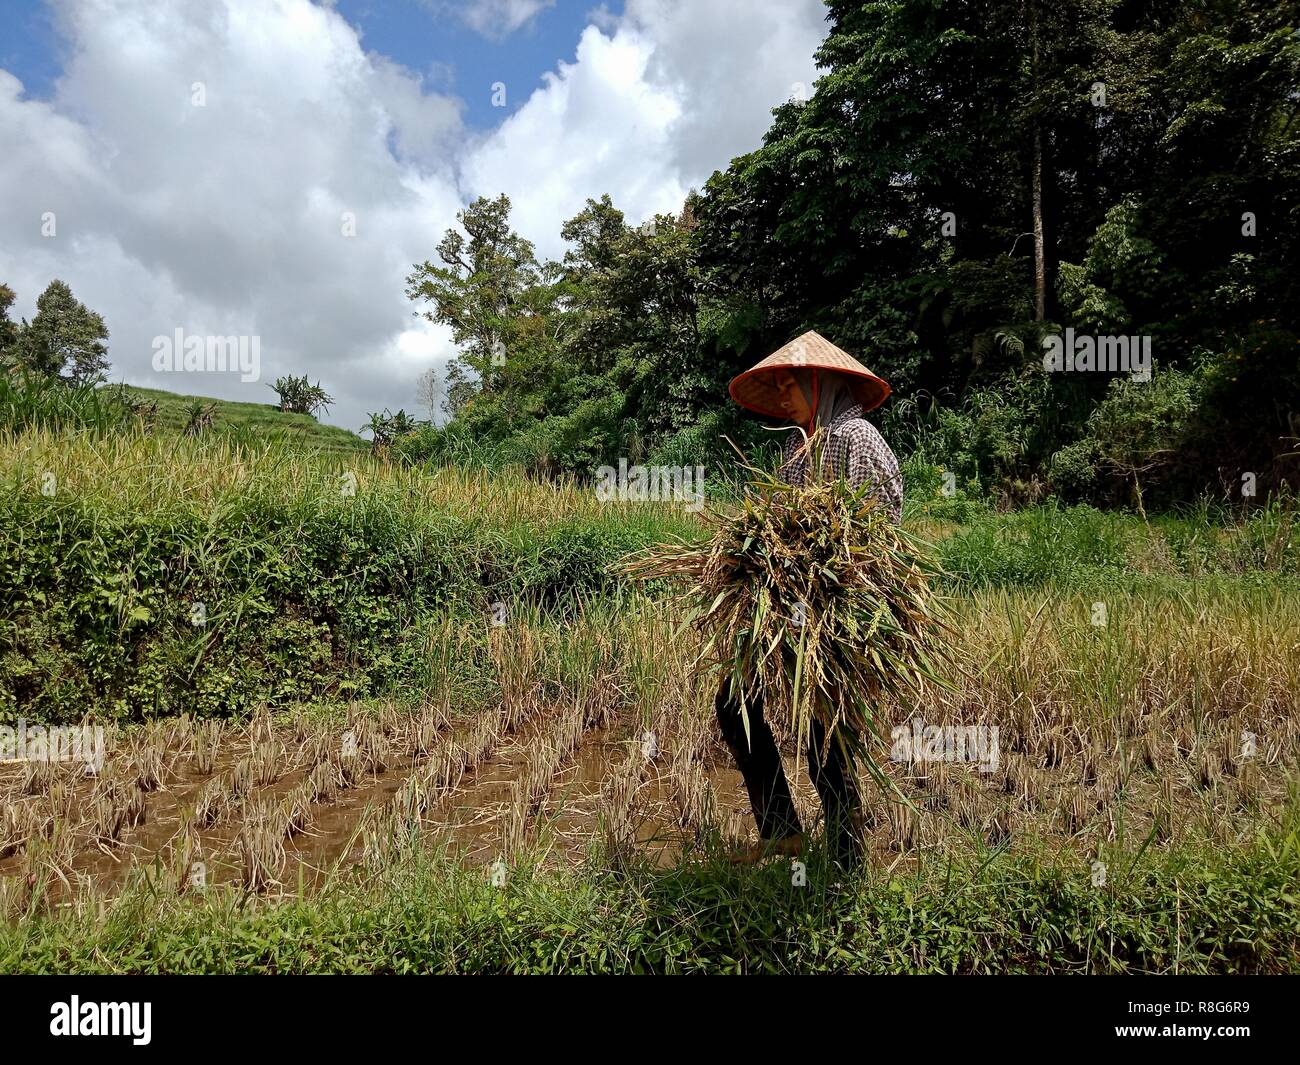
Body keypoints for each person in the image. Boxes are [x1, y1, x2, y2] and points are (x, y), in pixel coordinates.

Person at [719, 330, 902, 869]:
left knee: (825, 732)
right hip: (788, 609)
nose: (781, 394)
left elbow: (868, 540)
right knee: (734, 702)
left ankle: (847, 858)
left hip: (843, 611)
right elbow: (779, 527)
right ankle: (782, 831)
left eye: (788, 383)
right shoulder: (795, 454)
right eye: (775, 385)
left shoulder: (857, 439)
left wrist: (819, 584)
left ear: (817, 381)